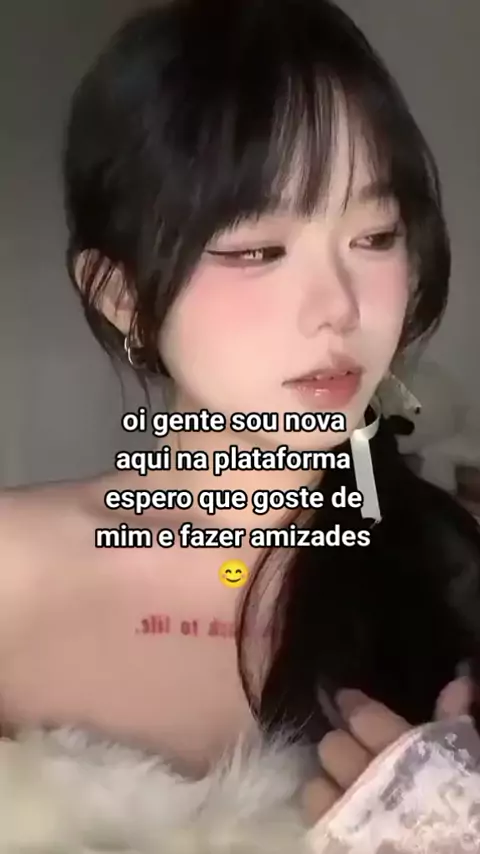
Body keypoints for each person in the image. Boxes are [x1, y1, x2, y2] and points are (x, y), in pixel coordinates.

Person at [1, 0, 479, 824]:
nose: (339, 308)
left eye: (374, 237)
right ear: (121, 295)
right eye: (258, 250)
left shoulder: (455, 576)